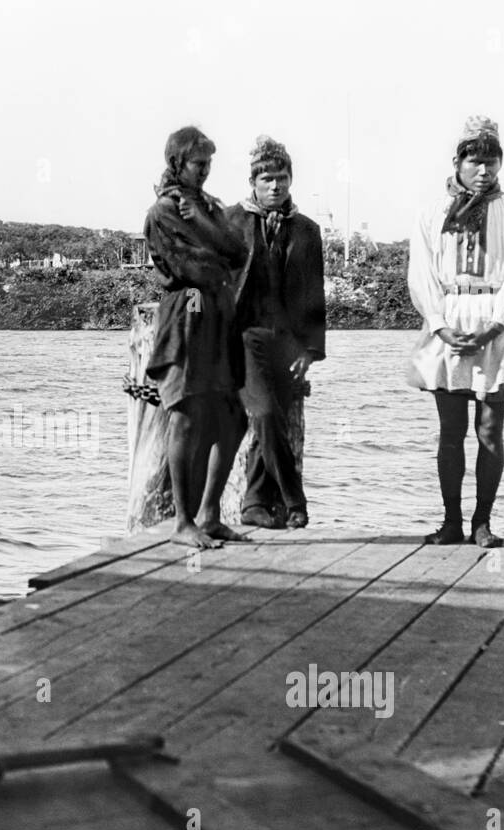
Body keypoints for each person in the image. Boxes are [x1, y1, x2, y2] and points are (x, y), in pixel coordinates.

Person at [407, 115, 504, 548]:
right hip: (447, 320)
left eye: (492, 161)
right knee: (450, 430)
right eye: (475, 161)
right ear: (457, 162)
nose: (484, 170)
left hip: (496, 323)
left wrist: (494, 326)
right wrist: (441, 326)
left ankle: (482, 521)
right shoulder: (432, 215)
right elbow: (422, 273)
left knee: (489, 429)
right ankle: (450, 522)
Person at [143, 126, 250, 549]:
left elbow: (239, 253)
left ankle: (209, 513)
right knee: (186, 417)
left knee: (232, 416)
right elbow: (198, 268)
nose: (205, 171)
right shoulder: (162, 212)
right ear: (177, 164)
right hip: (187, 315)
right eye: (198, 163)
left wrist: (205, 226)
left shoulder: (205, 207)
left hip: (218, 317)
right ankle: (182, 521)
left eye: (209, 164)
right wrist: (215, 243)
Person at [225, 135, 327, 529]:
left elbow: (314, 295)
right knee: (265, 414)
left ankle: (253, 504)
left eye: (281, 177)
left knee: (277, 421)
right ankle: (294, 500)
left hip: (287, 342)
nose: (275, 185)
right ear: (253, 181)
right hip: (244, 338)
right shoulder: (231, 222)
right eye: (266, 178)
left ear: (291, 180)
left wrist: (310, 350)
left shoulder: (306, 230)